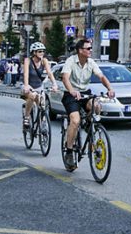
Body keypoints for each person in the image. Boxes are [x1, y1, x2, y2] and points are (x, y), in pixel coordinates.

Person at [61, 38, 115, 171]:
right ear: (80, 50)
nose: (91, 50)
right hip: (71, 95)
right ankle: (69, 152)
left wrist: (110, 88)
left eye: (91, 48)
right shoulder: (71, 61)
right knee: (75, 120)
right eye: (88, 48)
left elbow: (101, 76)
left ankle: (89, 125)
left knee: (97, 105)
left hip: (85, 93)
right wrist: (72, 91)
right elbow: (65, 78)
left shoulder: (91, 63)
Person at [22, 42, 59, 128]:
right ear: (34, 52)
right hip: (29, 86)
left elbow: (50, 73)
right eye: (39, 51)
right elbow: (26, 74)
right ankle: (27, 117)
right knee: (31, 96)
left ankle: (42, 124)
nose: (42, 53)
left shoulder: (44, 61)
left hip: (39, 87)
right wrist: (26, 85)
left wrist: (54, 84)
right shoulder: (28, 60)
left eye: (43, 51)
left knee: (42, 106)